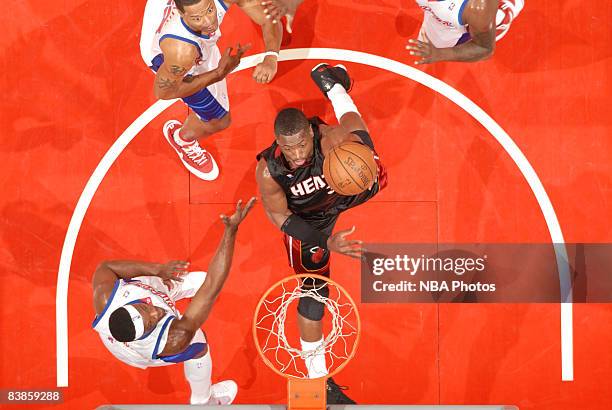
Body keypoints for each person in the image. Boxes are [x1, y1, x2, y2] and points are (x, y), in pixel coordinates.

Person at [255, 63, 388, 404]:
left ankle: (334, 87)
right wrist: (326, 242)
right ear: (278, 144)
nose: (297, 155)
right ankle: (319, 377)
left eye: (301, 145)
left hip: (340, 193)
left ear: (310, 135)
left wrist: (362, 161)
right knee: (314, 293)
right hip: (309, 222)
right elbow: (280, 217)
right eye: (289, 149)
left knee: (375, 168)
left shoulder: (330, 141)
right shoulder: (269, 172)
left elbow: (357, 131)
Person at [92, 198, 255, 405]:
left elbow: (107, 267)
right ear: (149, 329)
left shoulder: (105, 297)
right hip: (138, 352)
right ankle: (203, 400)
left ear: (127, 305)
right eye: (151, 321)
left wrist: (157, 270)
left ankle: (169, 290)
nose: (155, 312)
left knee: (152, 281)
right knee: (199, 345)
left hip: (124, 327)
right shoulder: (174, 337)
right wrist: (230, 232)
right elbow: (212, 285)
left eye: (144, 307)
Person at [140, 0, 283, 180]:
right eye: (197, 18)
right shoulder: (182, 52)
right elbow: (164, 92)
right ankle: (182, 139)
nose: (209, 21)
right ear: (181, 13)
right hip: (171, 61)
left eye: (209, 9)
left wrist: (271, 57)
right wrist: (218, 73)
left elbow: (269, 17)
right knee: (219, 120)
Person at [407, 0, 524, 64]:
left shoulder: (477, 7)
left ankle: (508, 8)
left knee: (492, 21)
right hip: (444, 17)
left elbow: (484, 48)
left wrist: (438, 54)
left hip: (478, 16)